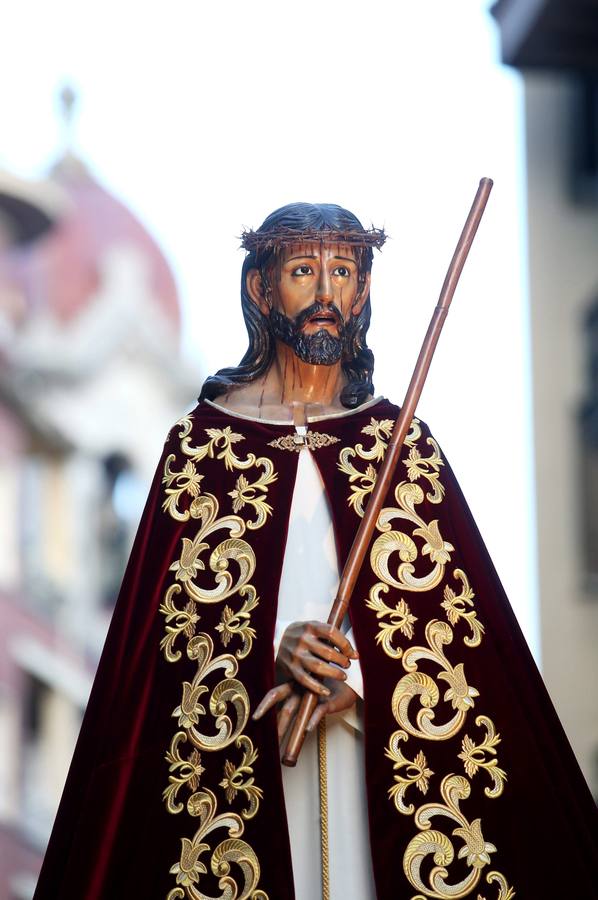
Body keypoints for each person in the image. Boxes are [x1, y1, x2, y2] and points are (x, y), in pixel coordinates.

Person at [34, 203, 598, 900]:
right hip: (245, 778)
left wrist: (357, 682)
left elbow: (456, 642)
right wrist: (270, 651)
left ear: (363, 292)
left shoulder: (402, 447)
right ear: (261, 289)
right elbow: (162, 654)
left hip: (380, 767)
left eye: (343, 273)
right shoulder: (201, 447)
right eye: (304, 271)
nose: (326, 293)